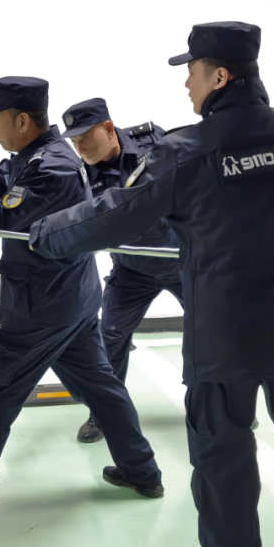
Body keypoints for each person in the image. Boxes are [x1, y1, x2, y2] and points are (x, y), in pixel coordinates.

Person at [29, 24, 274, 547]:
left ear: (220, 76)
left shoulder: (185, 151)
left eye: (191, 73)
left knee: (222, 448)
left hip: (223, 326)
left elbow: (115, 215)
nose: (186, 86)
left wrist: (45, 234)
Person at [0, 76, 165, 519]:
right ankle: (141, 472)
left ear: (22, 121)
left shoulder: (53, 169)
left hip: (42, 307)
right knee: (102, 389)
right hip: (71, 299)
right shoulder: (34, 157)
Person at [61, 98, 183, 444]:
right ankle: (104, 414)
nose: (81, 148)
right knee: (109, 337)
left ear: (109, 129)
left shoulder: (154, 142)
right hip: (132, 271)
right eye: (75, 141)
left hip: (184, 262)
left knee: (213, 335)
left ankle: (228, 407)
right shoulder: (79, 173)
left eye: (86, 138)